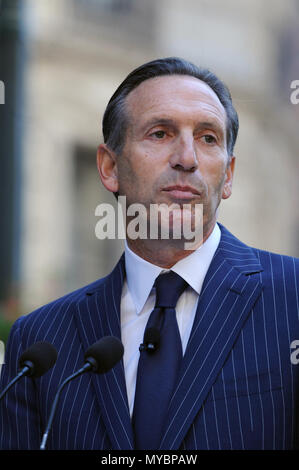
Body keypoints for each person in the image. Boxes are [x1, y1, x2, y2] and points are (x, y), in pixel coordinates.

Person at [0, 57, 299, 451]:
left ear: (227, 175)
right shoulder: (40, 341)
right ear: (110, 167)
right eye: (160, 134)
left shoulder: (292, 296)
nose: (187, 159)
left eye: (208, 138)